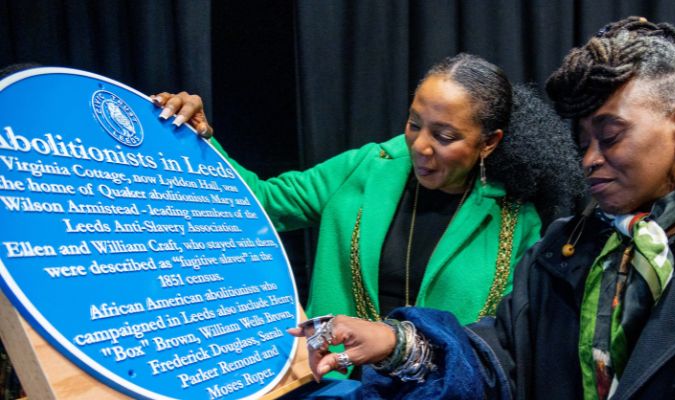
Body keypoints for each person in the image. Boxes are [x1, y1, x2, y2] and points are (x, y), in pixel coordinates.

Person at [291, 17, 675, 399]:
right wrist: (397, 342)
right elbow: (498, 360)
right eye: (583, 143)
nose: (591, 161)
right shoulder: (561, 250)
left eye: (611, 137)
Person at [155, 53, 582, 325]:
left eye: (445, 137)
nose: (420, 146)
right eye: (415, 124)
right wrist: (199, 140)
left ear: (489, 142)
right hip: (340, 385)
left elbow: (508, 333)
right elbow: (262, 202)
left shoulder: (518, 218)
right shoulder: (368, 166)